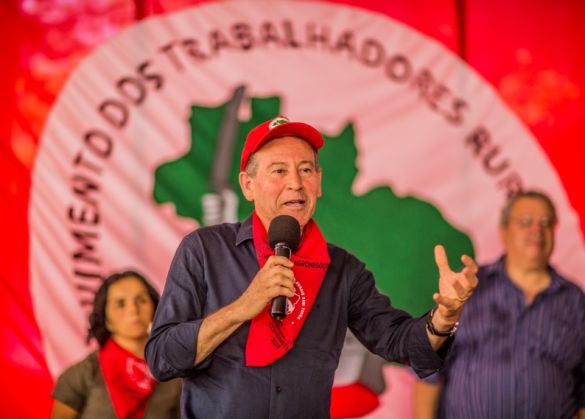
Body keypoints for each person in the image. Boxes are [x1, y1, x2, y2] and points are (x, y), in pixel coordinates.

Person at [145, 115, 478, 418]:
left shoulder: (343, 270)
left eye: (305, 170)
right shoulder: (204, 250)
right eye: (279, 171)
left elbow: (398, 341)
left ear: (318, 182)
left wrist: (444, 319)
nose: (295, 182)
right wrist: (241, 308)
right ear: (248, 185)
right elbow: (162, 358)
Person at [413, 191, 585, 419]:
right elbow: (428, 370)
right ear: (504, 230)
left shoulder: (575, 300)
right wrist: (443, 319)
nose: (537, 230)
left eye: (546, 222)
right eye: (526, 222)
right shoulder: (467, 288)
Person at [51, 270, 182, 419]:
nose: (133, 310)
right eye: (120, 304)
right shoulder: (82, 374)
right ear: (106, 320)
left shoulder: (174, 372)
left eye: (141, 300)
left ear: (155, 308)